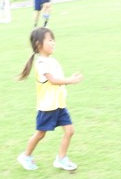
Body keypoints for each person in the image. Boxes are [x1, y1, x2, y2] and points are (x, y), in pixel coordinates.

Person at [16, 27, 83, 171]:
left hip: (59, 105)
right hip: (47, 107)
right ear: (39, 44)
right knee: (40, 134)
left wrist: (69, 79)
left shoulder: (53, 61)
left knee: (70, 130)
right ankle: (26, 156)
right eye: (50, 40)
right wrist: (71, 80)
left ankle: (61, 159)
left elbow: (58, 80)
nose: (53, 43)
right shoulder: (41, 63)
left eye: (53, 40)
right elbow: (53, 80)